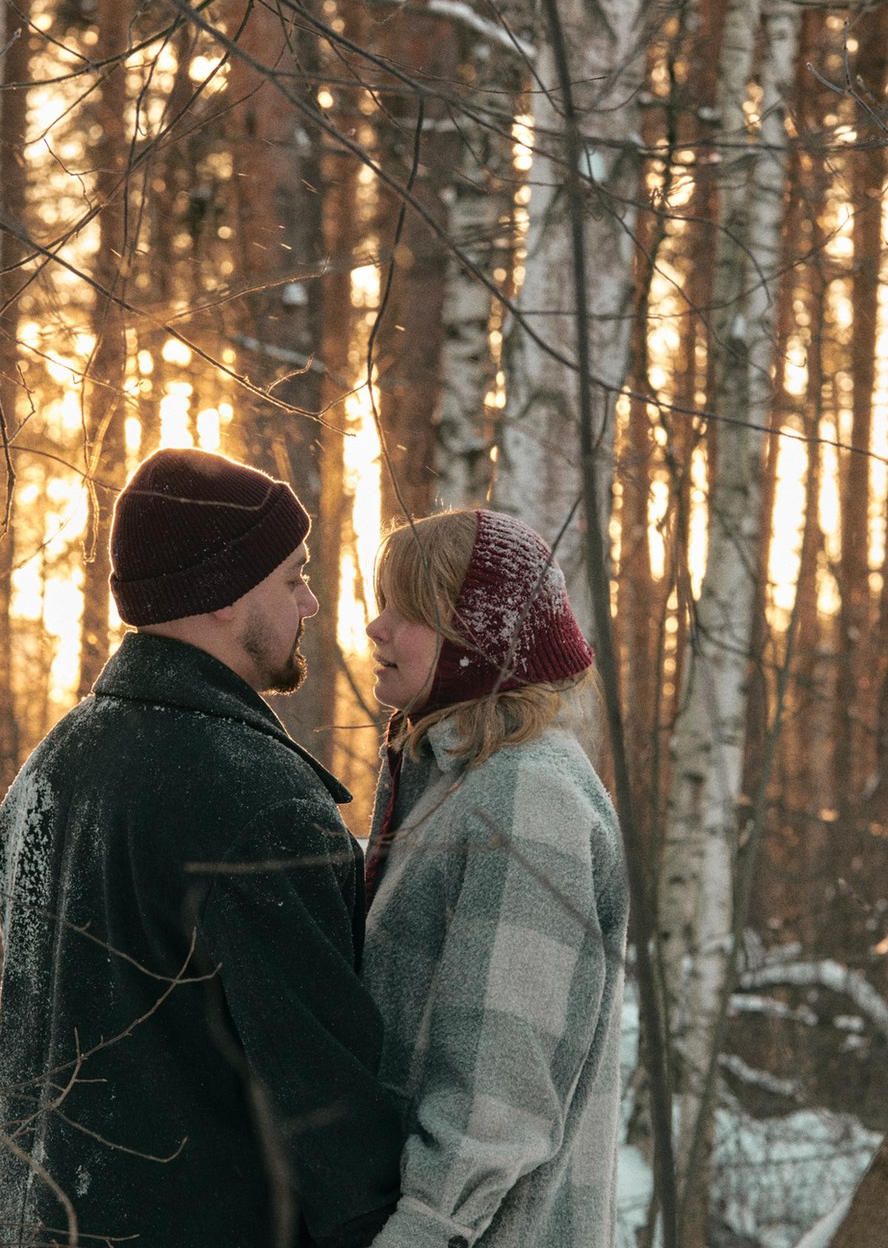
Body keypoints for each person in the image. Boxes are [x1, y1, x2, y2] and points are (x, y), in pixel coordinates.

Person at [0, 448, 403, 1248]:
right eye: (292, 579)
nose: (311, 603)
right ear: (222, 593)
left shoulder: (50, 767)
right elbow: (330, 1115)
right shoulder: (258, 799)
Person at [361, 508, 627, 1247]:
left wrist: (417, 1233)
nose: (375, 628)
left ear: (474, 641)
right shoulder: (455, 782)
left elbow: (498, 1097)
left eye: (403, 610)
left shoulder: (526, 799)